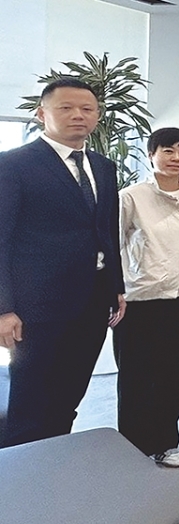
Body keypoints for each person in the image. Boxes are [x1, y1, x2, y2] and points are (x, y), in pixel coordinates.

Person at [0, 77, 125, 448]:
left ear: (97, 116)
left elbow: (107, 231)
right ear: (42, 114)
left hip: (93, 300)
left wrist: (116, 287)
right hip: (37, 305)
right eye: (66, 108)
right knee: (30, 401)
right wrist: (4, 309)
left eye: (87, 109)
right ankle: (22, 473)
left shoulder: (103, 167)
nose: (78, 116)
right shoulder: (13, 165)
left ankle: (56, 460)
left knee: (69, 394)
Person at [113, 127, 179, 466]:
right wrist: (115, 290)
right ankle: (134, 450)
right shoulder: (131, 197)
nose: (176, 158)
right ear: (152, 154)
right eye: (168, 151)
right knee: (136, 377)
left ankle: (167, 443)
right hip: (140, 300)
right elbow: (113, 245)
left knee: (172, 373)